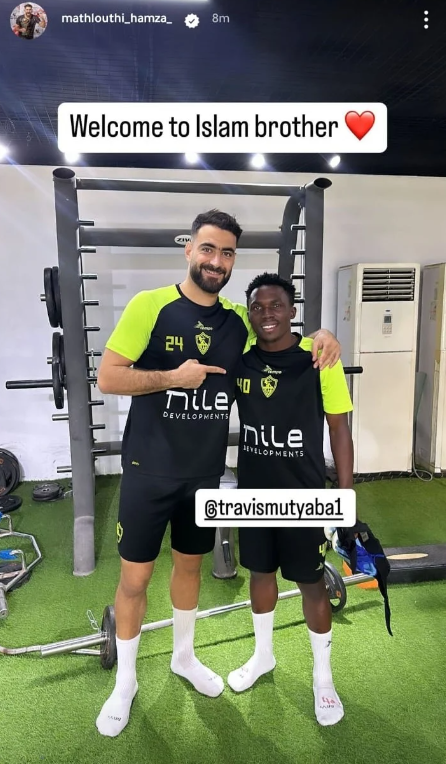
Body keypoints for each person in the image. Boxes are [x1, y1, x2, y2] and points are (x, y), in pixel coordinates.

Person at [95, 210, 341, 737]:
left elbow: (279, 333)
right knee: (135, 579)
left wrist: (324, 334)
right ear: (189, 249)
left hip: (202, 477)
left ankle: (183, 657)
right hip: (147, 471)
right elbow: (108, 378)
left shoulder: (236, 321)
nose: (217, 260)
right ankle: (126, 681)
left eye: (227, 253)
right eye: (208, 249)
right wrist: (171, 377)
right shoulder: (150, 306)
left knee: (190, 570)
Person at [227, 272, 353, 727]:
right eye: (258, 308)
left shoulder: (319, 358)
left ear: (292, 311)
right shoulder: (241, 359)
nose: (267, 314)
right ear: (249, 314)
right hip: (254, 495)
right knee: (259, 574)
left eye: (276, 306)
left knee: (311, 582)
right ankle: (263, 656)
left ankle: (323, 678)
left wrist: (345, 495)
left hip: (303, 496)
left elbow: (339, 429)